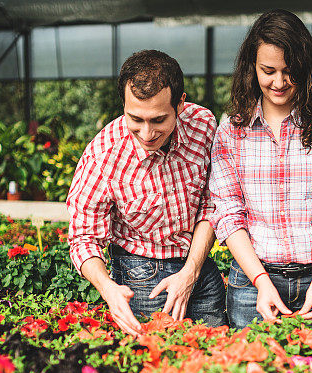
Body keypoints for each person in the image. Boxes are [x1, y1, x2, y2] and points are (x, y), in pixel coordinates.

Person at [209, 9, 312, 336]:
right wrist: (261, 282)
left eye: (290, 72)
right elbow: (228, 213)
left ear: (307, 70)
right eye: (268, 70)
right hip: (252, 282)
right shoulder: (231, 132)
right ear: (252, 67)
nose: (278, 82)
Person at [67, 50, 227, 334]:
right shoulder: (104, 154)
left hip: (199, 266)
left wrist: (191, 271)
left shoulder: (203, 125)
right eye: (135, 119)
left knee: (217, 355)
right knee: (157, 359)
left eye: (158, 120)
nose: (147, 132)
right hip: (141, 276)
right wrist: (108, 288)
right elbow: (83, 236)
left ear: (181, 102)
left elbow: (211, 202)